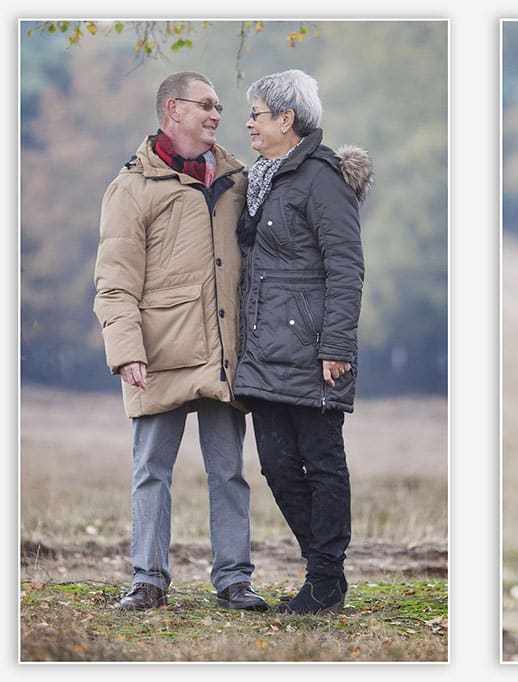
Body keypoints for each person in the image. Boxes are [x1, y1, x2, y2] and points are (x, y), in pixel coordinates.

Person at [94, 71, 267, 612]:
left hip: (222, 353)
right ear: (173, 109)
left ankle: (235, 580)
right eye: (207, 105)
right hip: (159, 354)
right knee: (151, 471)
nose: (218, 115)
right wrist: (126, 351)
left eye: (220, 107)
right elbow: (114, 278)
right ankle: (148, 581)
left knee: (230, 472)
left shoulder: (240, 179)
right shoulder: (132, 186)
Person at [232, 69, 372, 615]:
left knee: (322, 461)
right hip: (263, 349)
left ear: (286, 119)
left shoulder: (321, 178)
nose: (249, 124)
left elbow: (346, 267)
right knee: (276, 465)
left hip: (315, 351)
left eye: (257, 114)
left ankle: (323, 578)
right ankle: (324, 570)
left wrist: (335, 344)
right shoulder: (263, 178)